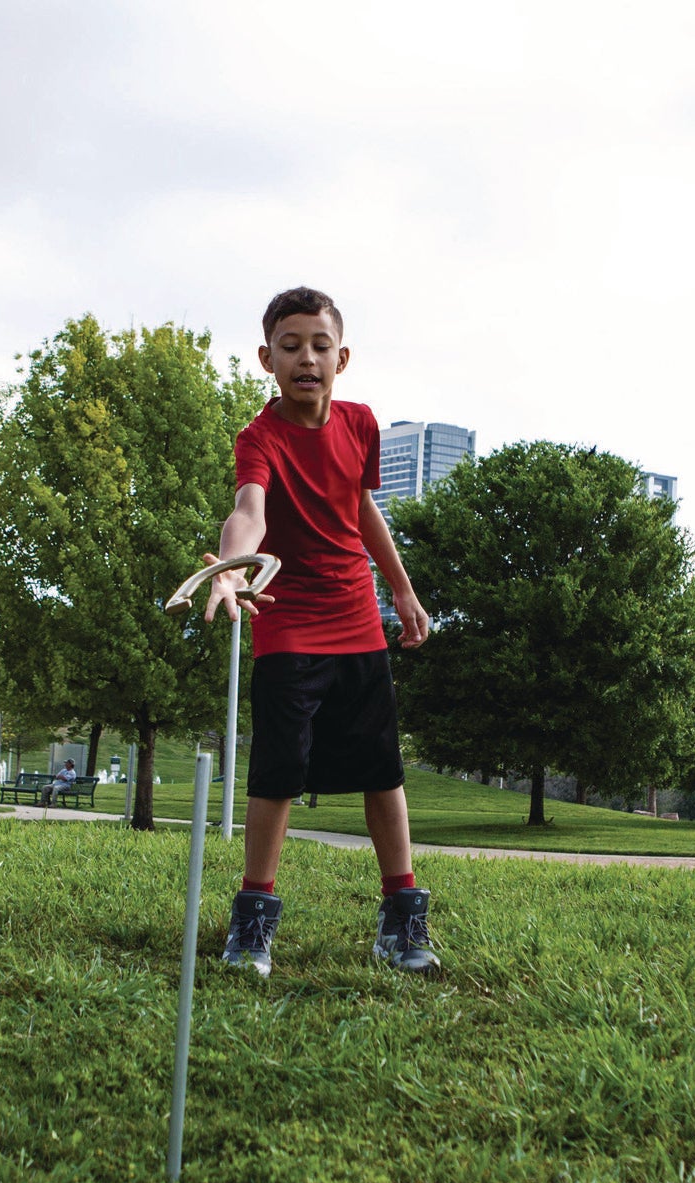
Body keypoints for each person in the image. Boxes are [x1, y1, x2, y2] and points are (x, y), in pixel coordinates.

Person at [201, 285, 439, 978]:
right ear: (266, 359)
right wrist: (232, 565)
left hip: (357, 617)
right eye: (291, 345)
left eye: (320, 345)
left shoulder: (362, 424)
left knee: (382, 770)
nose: (307, 357)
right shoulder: (260, 437)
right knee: (276, 772)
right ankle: (253, 922)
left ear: (343, 356)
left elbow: (360, 507)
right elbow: (249, 510)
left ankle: (402, 917)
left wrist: (401, 586)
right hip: (289, 622)